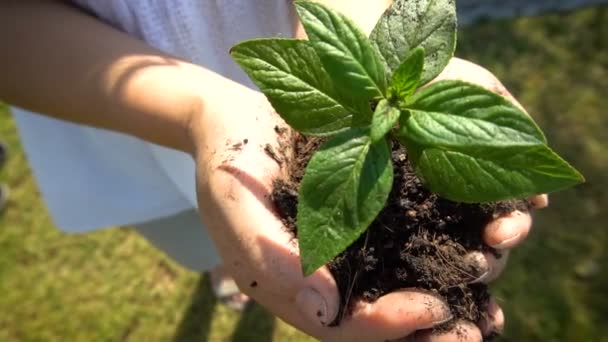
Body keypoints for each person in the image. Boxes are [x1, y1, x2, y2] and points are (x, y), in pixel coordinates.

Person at [0, 1, 548, 341]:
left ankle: (225, 263)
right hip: (100, 105)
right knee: (190, 228)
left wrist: (361, 31)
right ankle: (215, 265)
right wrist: (200, 110)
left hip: (306, 72)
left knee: (253, 226)